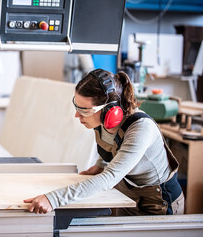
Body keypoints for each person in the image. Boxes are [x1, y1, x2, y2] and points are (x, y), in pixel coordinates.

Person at [24, 69, 185, 216]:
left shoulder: (141, 129)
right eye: (77, 107)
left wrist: (53, 199)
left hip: (159, 202)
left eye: (84, 110)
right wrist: (100, 164)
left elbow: (110, 178)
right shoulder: (102, 122)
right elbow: (112, 144)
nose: (77, 116)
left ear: (110, 111)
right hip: (129, 195)